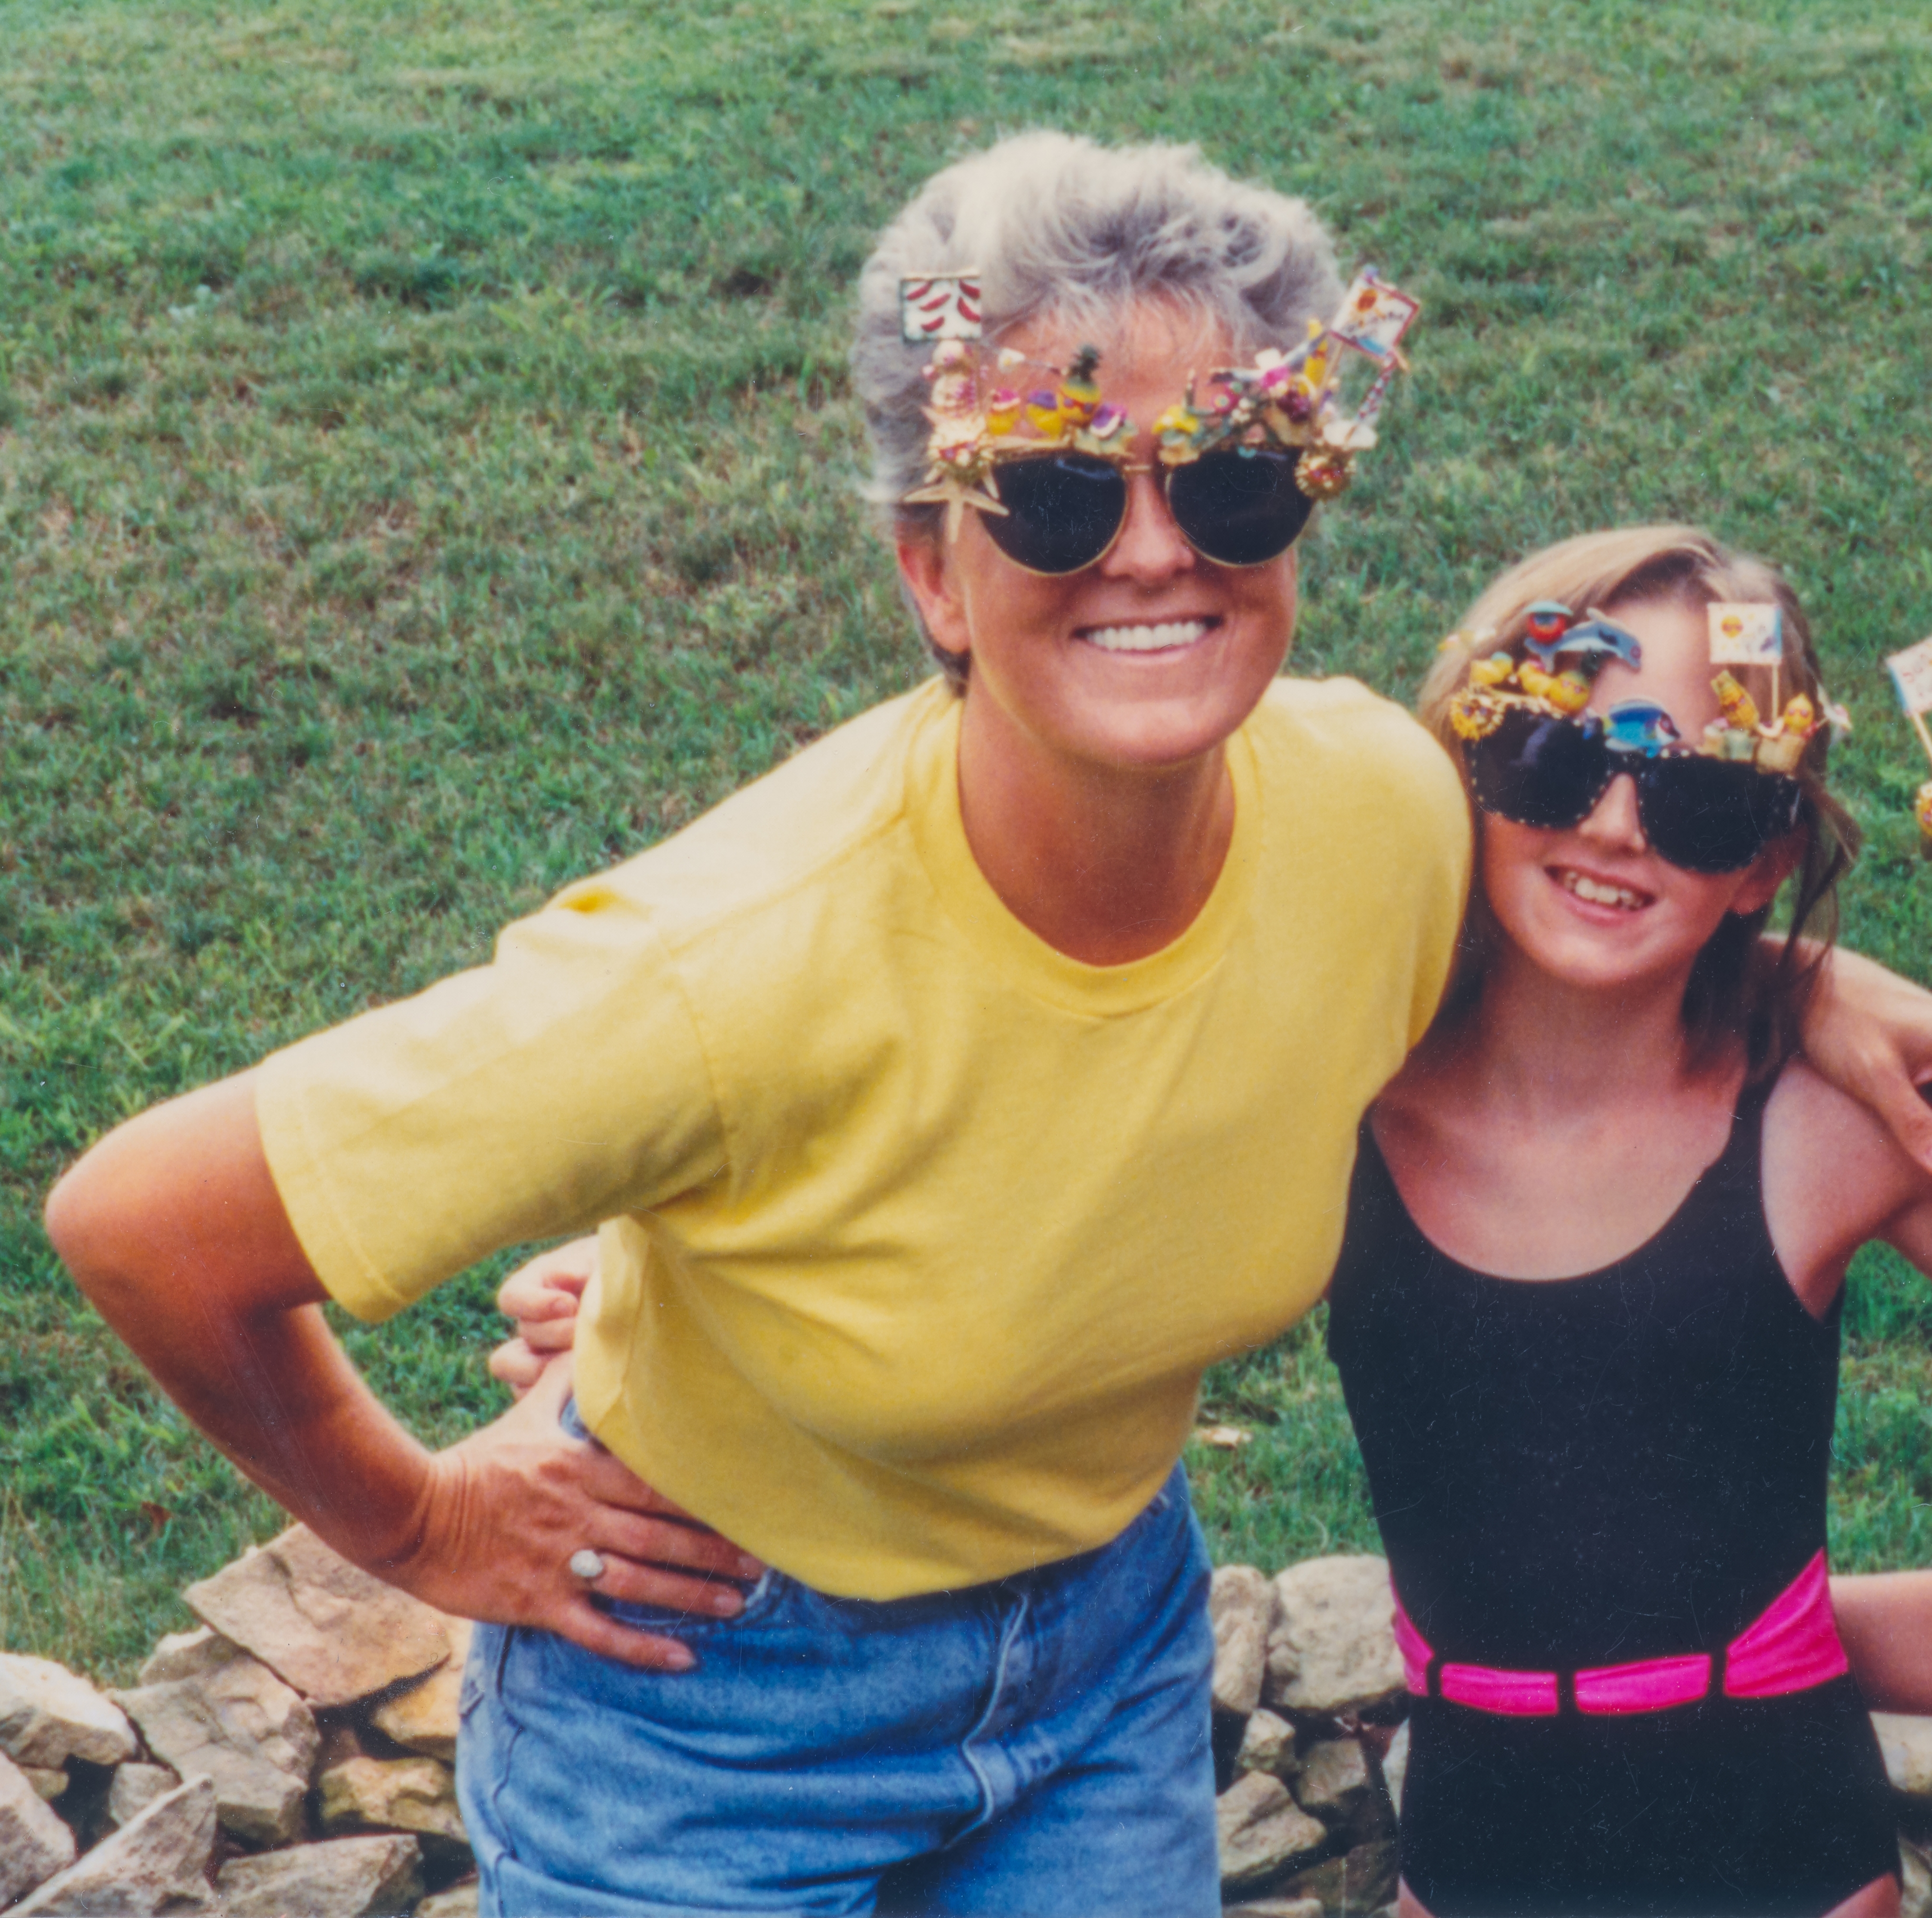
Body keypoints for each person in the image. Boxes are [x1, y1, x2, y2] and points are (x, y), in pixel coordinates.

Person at [39, 135, 1932, 1918]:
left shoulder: (1376, 812)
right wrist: (426, 1527)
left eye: (1229, 482)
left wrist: (1798, 980)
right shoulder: (719, 964)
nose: (1152, 550)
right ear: (931, 568)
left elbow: (1604, 895)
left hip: (1104, 1662)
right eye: (1051, 491)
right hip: (707, 1712)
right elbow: (144, 1225)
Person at [1323, 528, 1932, 1917]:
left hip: (1798, 1874)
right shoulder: (1337, 1110)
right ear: (1464, 766)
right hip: (1467, 1870)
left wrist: (1820, 1631)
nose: (1612, 828)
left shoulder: (1834, 1130)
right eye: (1553, 758)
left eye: (1702, 798)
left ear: (1767, 858)